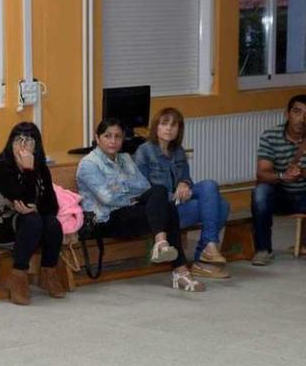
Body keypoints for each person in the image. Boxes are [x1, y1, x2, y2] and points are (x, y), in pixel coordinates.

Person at [77, 118, 205, 292]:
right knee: (164, 204)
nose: (113, 141)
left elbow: (143, 186)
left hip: (129, 213)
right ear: (97, 138)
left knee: (162, 197)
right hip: (105, 220)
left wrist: (127, 192)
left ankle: (164, 248)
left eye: (118, 136)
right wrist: (134, 196)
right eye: (107, 136)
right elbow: (108, 198)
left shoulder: (125, 159)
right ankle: (177, 267)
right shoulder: (89, 165)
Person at [0, 122, 65, 305]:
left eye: (29, 141)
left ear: (36, 145)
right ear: (10, 143)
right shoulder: (0, 168)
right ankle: (19, 276)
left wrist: (36, 207)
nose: (23, 146)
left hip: (26, 223)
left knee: (52, 223)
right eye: (18, 140)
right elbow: (24, 199)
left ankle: (48, 273)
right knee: (32, 221)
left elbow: (52, 206)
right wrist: (28, 170)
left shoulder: (42, 169)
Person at [134, 107, 230, 279]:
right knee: (221, 206)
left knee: (210, 186)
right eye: (164, 124)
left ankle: (208, 248)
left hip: (181, 201)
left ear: (179, 129)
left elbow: (186, 178)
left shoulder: (178, 151)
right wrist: (173, 194)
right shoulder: (144, 151)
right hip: (165, 210)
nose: (169, 128)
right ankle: (203, 257)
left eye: (174, 125)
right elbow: (143, 188)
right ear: (156, 126)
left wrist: (185, 183)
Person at [251, 94, 306, 265]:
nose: (302, 119)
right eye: (297, 112)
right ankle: (263, 249)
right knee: (260, 192)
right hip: (280, 195)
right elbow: (262, 173)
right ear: (287, 114)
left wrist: (302, 173)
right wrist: (283, 176)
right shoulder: (270, 135)